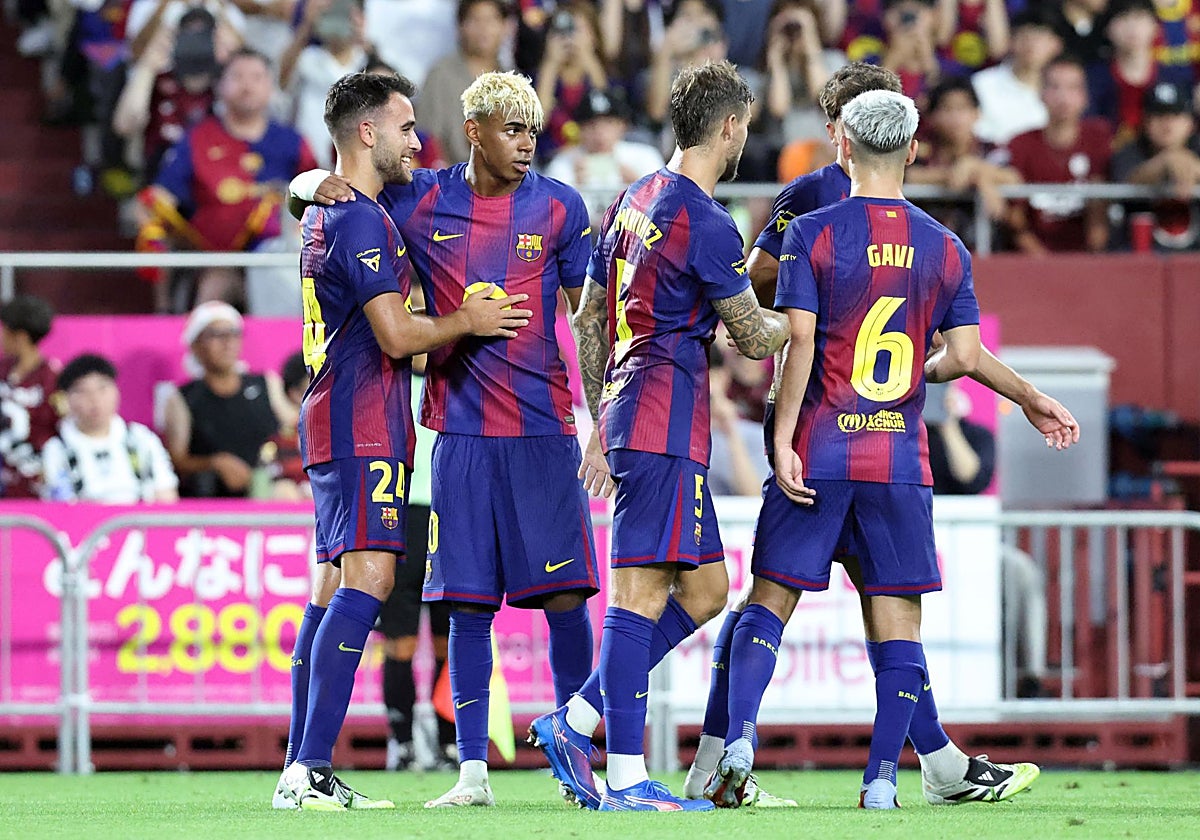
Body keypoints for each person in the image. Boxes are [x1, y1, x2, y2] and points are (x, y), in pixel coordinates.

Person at [679, 61, 1079, 809]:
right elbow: (961, 355)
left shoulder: (815, 232)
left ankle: (735, 743)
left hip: (821, 443)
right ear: (917, 150)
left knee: (767, 603)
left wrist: (786, 438)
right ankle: (883, 786)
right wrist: (915, 378)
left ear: (842, 147)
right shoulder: (945, 244)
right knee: (898, 623)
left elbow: (796, 341)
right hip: (897, 452)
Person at [290, 71, 601, 810]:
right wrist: (308, 182)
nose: (527, 144)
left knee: (566, 597)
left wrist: (601, 424)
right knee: (464, 605)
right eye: (512, 129)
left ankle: (578, 761)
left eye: (533, 131)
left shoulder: (561, 206)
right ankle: (470, 775)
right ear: (476, 131)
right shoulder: (419, 195)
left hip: (542, 427)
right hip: (455, 430)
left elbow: (588, 321)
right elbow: (343, 192)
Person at [550, 60, 789, 812]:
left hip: (635, 411)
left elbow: (588, 318)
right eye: (744, 126)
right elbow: (753, 338)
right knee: (641, 595)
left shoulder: (629, 200)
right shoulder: (708, 221)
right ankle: (623, 776)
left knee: (709, 587)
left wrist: (599, 417)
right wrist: (808, 321)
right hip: (662, 416)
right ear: (728, 128)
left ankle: (578, 717)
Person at [140, 48, 319, 311]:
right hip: (216, 259)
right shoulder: (198, 138)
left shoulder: (293, 142)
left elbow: (319, 202)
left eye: (256, 77)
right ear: (220, 86)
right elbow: (157, 198)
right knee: (213, 292)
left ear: (271, 87)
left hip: (279, 258)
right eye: (237, 77)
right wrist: (151, 222)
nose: (247, 86)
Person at [379, 340, 456, 773]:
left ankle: (447, 744)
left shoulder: (458, 380)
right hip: (401, 515)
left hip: (449, 512)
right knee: (401, 642)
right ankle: (402, 741)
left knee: (450, 640)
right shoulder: (388, 384)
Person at [160, 301, 291, 497]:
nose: (227, 342)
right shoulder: (182, 398)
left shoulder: (267, 383)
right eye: (216, 335)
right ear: (195, 345)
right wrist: (215, 463)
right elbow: (177, 460)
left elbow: (295, 427)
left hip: (273, 488)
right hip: (217, 497)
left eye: (233, 333)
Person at [1006, 54, 1113, 254]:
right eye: (1054, 87)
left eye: (1073, 88)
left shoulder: (1100, 137)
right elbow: (1015, 219)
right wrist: (1046, 264)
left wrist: (1089, 261)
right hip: (1033, 262)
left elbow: (1100, 213)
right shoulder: (1020, 144)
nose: (1063, 97)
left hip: (1089, 259)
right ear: (1040, 93)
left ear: (1085, 96)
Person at [41, 354, 179, 504]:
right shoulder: (56, 449)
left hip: (140, 521)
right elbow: (59, 504)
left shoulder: (141, 438)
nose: (94, 399)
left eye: (102, 388)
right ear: (67, 399)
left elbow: (166, 493)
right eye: (82, 391)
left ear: (116, 391)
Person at [543, 87, 665, 221]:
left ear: (622, 126)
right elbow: (553, 219)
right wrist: (573, 189)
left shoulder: (645, 156)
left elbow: (665, 209)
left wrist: (639, 187)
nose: (599, 132)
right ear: (579, 129)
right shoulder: (563, 163)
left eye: (608, 123)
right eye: (591, 125)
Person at [419, 0, 514, 167]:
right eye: (475, 20)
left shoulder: (513, 78)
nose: (483, 28)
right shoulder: (441, 74)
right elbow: (427, 137)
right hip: (450, 179)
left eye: (491, 20)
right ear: (460, 27)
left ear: (506, 27)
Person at [279, 0, 371, 170]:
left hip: (354, 162)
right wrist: (307, 24)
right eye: (330, 14)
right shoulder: (307, 58)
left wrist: (362, 37)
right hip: (306, 161)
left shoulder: (367, 62)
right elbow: (281, 80)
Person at [1110, 81, 1200, 251]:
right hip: (1141, 255)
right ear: (1145, 122)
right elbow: (1127, 180)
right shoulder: (1130, 151)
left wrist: (1191, 167)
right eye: (1159, 115)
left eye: (1176, 115)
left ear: (1191, 123)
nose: (1167, 124)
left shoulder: (1197, 146)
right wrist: (1165, 162)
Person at [971, 8, 1062, 145]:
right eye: (1025, 36)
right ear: (1011, 41)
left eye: (1039, 37)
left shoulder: (1062, 90)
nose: (1031, 45)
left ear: (1056, 45)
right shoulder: (982, 84)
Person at [0, 295, 60, 498]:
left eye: (5, 331)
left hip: (34, 478)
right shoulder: (2, 370)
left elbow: (62, 427)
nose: (1, 336)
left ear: (21, 337)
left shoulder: (53, 379)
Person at [535, 1, 610, 157]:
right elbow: (537, 124)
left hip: (593, 155)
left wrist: (588, 58)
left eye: (577, 30)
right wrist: (551, 63)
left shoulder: (604, 75)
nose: (569, 38)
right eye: (562, 31)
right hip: (551, 160)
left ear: (594, 35)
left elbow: (605, 113)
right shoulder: (539, 78)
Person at [1089, 0, 1162, 148]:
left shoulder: (1175, 78)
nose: (1132, 27)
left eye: (1139, 17)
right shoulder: (1091, 78)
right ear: (1107, 29)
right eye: (1123, 18)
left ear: (1156, 27)